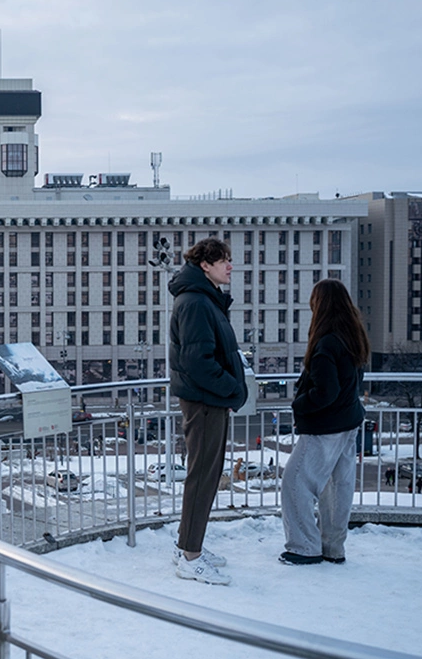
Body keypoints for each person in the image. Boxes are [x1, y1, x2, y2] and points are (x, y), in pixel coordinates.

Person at [167, 237, 247, 585]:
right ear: (205, 266)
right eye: (224, 261)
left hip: (208, 399)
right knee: (202, 478)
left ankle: (189, 544)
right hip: (205, 401)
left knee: (207, 476)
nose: (230, 266)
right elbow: (197, 362)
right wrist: (231, 388)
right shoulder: (197, 303)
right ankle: (190, 556)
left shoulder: (204, 299)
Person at [280, 279, 369, 567]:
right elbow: (351, 383)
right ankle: (332, 547)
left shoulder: (325, 343)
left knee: (295, 483)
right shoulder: (353, 336)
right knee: (337, 488)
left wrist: (298, 404)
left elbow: (325, 392)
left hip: (325, 427)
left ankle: (304, 547)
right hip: (348, 422)